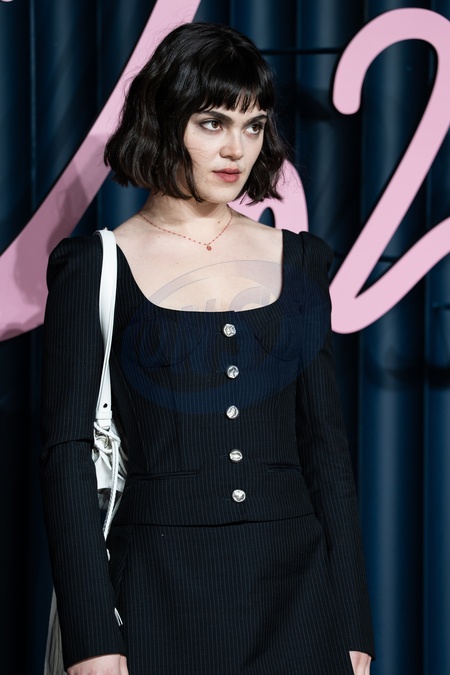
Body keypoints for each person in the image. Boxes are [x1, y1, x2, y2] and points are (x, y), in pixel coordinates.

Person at [40, 21, 375, 675]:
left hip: (299, 598)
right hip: (158, 594)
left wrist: (353, 623)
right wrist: (92, 636)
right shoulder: (94, 266)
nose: (236, 149)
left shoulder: (300, 261)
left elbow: (326, 453)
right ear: (166, 122)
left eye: (254, 125)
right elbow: (66, 457)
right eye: (213, 122)